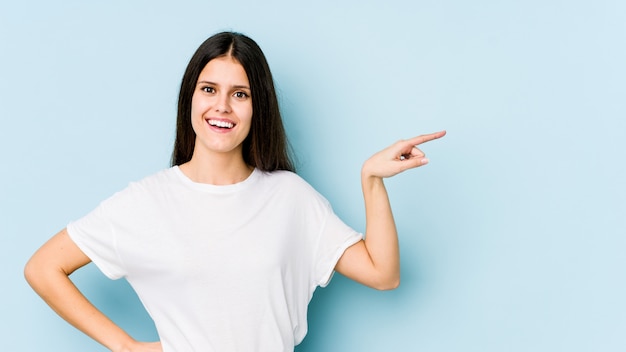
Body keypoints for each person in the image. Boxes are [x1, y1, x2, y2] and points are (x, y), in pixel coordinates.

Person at [24, 31, 446, 352]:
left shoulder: (289, 198)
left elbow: (383, 274)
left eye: (239, 94)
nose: (222, 107)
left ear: (256, 107)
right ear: (189, 98)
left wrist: (370, 179)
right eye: (209, 90)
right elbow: (43, 268)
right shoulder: (145, 203)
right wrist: (126, 346)